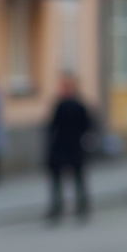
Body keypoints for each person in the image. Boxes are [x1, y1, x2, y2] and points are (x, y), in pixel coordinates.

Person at [45, 72, 93, 221]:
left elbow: (88, 127)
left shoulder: (78, 106)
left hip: (74, 146)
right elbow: (52, 127)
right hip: (62, 146)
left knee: (78, 178)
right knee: (58, 179)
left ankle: (81, 206)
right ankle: (58, 207)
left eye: (66, 86)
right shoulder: (61, 105)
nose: (63, 89)